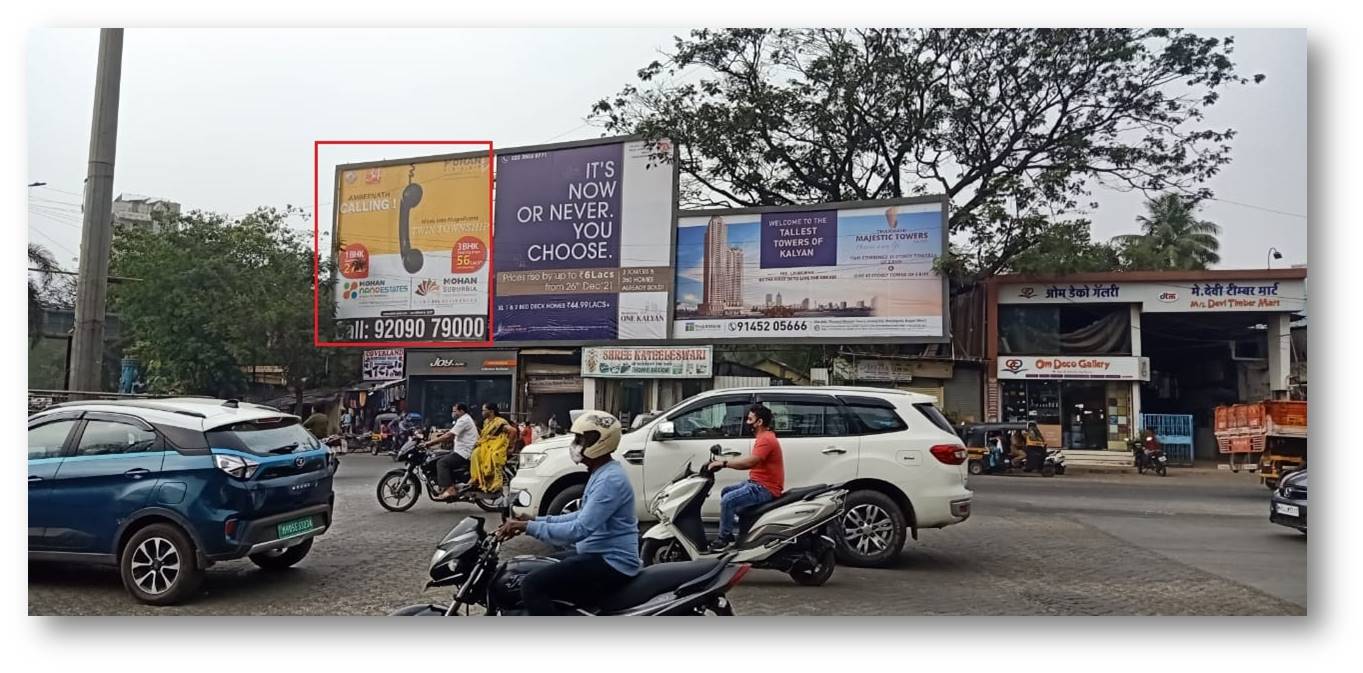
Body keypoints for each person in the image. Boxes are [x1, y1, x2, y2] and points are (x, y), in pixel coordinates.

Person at [496, 411, 639, 615]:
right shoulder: (601, 473)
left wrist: (528, 527)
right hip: (595, 554)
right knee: (538, 565)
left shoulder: (610, 480)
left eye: (581, 440)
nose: (575, 444)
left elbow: (579, 529)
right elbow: (579, 515)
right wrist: (536, 519)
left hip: (612, 562)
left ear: (601, 442)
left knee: (532, 584)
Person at [705, 403, 784, 552]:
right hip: (757, 483)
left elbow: (750, 462)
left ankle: (725, 539)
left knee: (728, 501)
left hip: (765, 488)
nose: (747, 423)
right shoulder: (764, 437)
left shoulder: (766, 440)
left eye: (749, 419)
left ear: (759, 422)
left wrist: (724, 463)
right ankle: (743, 530)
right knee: (726, 492)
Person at [424, 403, 478, 500]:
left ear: (461, 411)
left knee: (442, 463)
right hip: (460, 450)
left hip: (464, 452)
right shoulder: (462, 420)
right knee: (438, 455)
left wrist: (429, 443)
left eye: (454, 411)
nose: (452, 413)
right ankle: (448, 483)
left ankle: (450, 489)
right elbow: (451, 432)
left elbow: (450, 435)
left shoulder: (464, 420)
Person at [469, 402, 516, 493]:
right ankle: (476, 479)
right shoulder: (486, 422)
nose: (482, 412)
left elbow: (513, 431)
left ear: (491, 411)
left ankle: (495, 483)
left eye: (484, 410)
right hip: (486, 446)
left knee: (490, 456)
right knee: (475, 453)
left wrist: (510, 446)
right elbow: (485, 435)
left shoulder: (499, 422)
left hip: (496, 447)